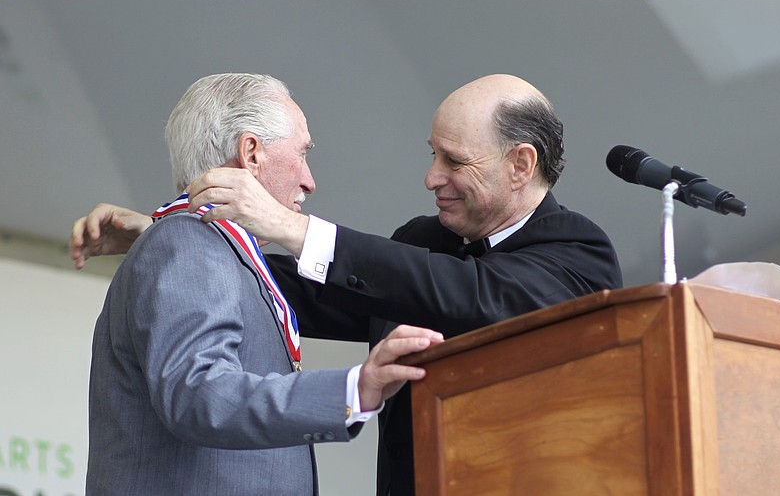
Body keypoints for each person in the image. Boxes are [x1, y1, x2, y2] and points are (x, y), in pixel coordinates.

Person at [72, 73, 623, 496]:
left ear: (520, 164)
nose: (431, 177)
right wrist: (172, 235)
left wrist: (290, 228)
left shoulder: (577, 253)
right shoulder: (423, 241)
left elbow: (473, 295)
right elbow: (290, 291)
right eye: (432, 154)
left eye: (453, 160)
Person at [82, 73, 443, 496]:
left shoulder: (199, 246)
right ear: (251, 153)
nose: (310, 181)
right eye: (302, 154)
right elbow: (199, 394)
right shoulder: (191, 241)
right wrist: (353, 388)